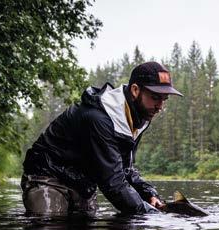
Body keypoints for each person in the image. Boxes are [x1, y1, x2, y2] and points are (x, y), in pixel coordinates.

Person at [21, 61, 183, 215]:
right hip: (47, 176)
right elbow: (113, 183)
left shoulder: (139, 119)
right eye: (155, 97)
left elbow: (125, 169)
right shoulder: (99, 118)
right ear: (135, 90)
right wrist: (154, 215)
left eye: (164, 99)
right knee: (47, 228)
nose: (160, 106)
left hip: (83, 185)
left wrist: (149, 195)